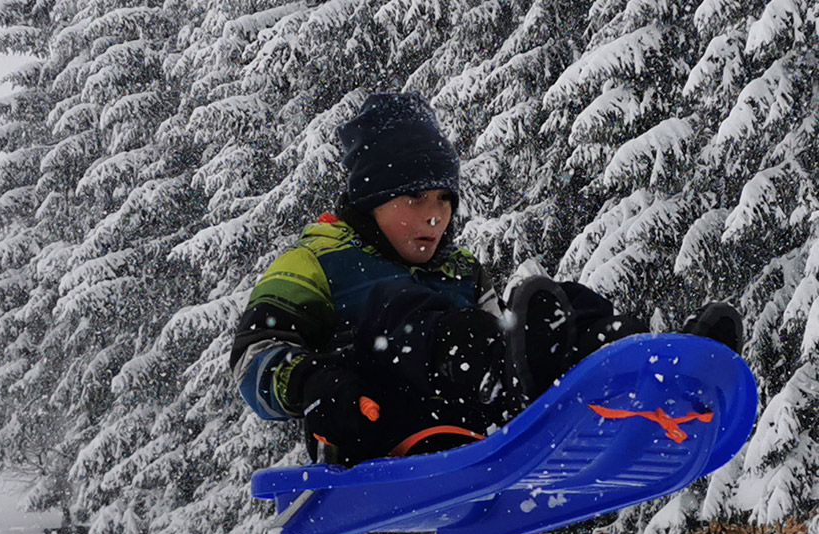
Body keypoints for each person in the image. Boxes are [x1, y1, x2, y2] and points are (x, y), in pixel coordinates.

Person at [230, 92, 744, 467]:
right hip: (376, 431)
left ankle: (658, 372)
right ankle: (501, 380)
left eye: (444, 201)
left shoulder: (460, 270)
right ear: (371, 200)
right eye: (415, 201)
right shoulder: (317, 258)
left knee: (558, 302)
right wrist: (309, 382)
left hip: (478, 426)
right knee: (398, 310)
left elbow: (512, 333)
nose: (435, 218)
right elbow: (254, 361)